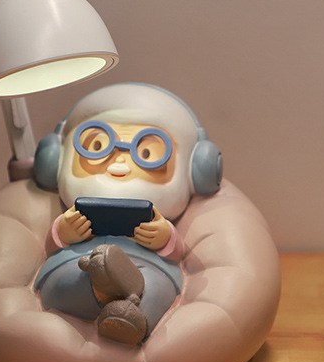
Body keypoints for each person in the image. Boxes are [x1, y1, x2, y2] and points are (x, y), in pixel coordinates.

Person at [33, 83, 222, 346]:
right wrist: (63, 232)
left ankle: (130, 319)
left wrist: (164, 238)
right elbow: (52, 246)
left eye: (146, 153)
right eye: (98, 145)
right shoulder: (70, 213)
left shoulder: (159, 218)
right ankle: (107, 291)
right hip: (78, 263)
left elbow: (176, 252)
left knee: (156, 288)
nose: (120, 163)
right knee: (66, 281)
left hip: (147, 269)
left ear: (197, 169)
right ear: (56, 159)